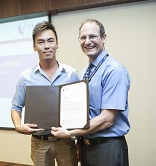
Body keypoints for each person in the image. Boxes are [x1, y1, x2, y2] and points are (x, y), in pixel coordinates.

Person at [51, 18, 130, 166]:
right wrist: (80, 142)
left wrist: (72, 133)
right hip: (87, 146)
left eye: (92, 36)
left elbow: (107, 119)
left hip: (107, 147)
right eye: (83, 37)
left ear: (104, 37)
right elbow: (83, 113)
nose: (87, 41)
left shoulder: (114, 70)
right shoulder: (84, 72)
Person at [11, 21, 79, 166]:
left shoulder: (71, 74)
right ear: (34, 46)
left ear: (57, 43)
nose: (46, 46)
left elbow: (78, 109)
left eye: (50, 40)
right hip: (40, 143)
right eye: (41, 42)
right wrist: (18, 126)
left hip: (66, 143)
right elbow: (16, 106)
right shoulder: (25, 77)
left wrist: (77, 138)